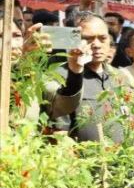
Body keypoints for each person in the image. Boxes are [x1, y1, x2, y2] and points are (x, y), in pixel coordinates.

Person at [53, 12, 128, 143]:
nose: (97, 44)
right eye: (88, 39)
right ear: (73, 39)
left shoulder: (120, 76)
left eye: (103, 38)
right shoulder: (61, 76)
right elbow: (59, 133)